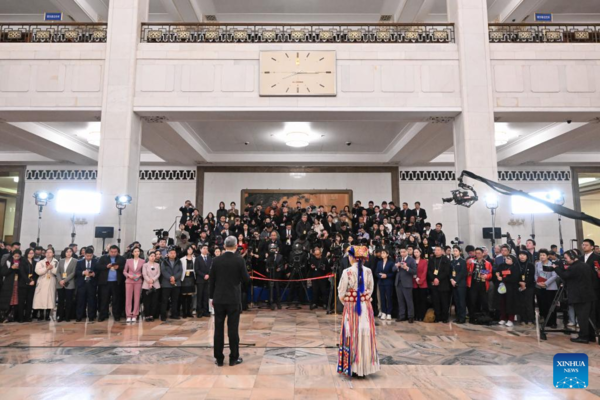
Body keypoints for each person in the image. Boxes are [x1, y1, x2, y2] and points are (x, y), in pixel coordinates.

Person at [337, 245, 380, 378]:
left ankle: (353, 366)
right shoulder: (368, 271)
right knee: (365, 332)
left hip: (351, 307)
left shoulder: (347, 272)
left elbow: (341, 291)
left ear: (352, 257)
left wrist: (347, 302)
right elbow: (370, 288)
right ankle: (365, 366)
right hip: (365, 306)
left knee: (351, 334)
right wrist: (363, 299)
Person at [210, 236, 250, 367]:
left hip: (219, 298)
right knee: (233, 329)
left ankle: (219, 359)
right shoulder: (239, 260)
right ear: (235, 246)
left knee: (218, 329)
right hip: (233, 298)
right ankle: (233, 358)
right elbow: (246, 279)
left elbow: (212, 281)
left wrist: (211, 297)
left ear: (224, 246)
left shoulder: (216, 260)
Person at [554, 250, 597, 343]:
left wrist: (556, 268)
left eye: (566, 258)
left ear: (573, 257)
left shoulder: (574, 267)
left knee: (582, 317)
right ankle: (591, 336)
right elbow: (594, 278)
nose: (565, 260)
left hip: (580, 296)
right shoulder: (585, 265)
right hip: (589, 295)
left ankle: (584, 337)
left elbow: (565, 276)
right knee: (589, 317)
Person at [97, 245, 126, 322]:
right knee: (104, 299)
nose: (113, 253)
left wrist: (118, 267)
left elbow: (125, 268)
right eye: (111, 252)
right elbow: (98, 267)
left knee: (116, 300)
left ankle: (116, 315)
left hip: (117, 283)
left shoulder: (122, 259)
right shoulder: (103, 258)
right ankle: (103, 315)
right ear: (108, 251)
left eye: (115, 252)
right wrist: (106, 266)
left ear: (118, 252)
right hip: (105, 283)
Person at [0, 249, 27, 323]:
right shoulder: (8, 262)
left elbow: (25, 272)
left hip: (19, 284)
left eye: (18, 256)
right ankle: (5, 316)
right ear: (12, 255)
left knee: (16, 301)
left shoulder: (23, 262)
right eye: (15, 256)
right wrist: (11, 268)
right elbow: (3, 272)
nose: (16, 257)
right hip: (9, 284)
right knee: (7, 300)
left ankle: (14, 316)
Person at [535, 249, 560, 328]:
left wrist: (546, 283)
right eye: (540, 255)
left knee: (551, 305)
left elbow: (554, 276)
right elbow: (536, 274)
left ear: (547, 256)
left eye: (543, 255)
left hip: (550, 287)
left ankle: (553, 322)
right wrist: (538, 282)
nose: (542, 257)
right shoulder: (538, 264)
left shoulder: (551, 264)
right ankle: (545, 321)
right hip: (540, 287)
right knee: (542, 304)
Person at [427, 246, 451, 323]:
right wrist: (434, 279)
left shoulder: (445, 260)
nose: (436, 251)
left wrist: (438, 279)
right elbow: (429, 271)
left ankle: (444, 317)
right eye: (435, 250)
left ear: (442, 251)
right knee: (435, 301)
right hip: (434, 283)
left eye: (438, 250)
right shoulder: (431, 259)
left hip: (443, 283)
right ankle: (437, 316)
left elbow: (446, 271)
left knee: (444, 301)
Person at [33, 248, 58, 321]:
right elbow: (38, 271)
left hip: (51, 281)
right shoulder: (40, 262)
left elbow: (57, 271)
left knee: (50, 298)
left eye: (50, 252)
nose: (48, 253)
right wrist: (46, 269)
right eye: (47, 252)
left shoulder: (56, 262)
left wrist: (52, 269)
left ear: (53, 253)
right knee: (41, 298)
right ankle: (40, 314)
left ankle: (47, 314)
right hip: (42, 281)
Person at [467, 247, 492, 317]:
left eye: (479, 253)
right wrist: (468, 265)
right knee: (472, 301)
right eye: (476, 253)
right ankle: (472, 316)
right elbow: (466, 270)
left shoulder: (487, 263)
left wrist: (486, 276)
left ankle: (485, 316)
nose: (478, 254)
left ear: (483, 254)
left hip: (483, 284)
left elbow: (490, 273)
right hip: (473, 283)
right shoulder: (471, 261)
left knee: (484, 301)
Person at [495, 255, 520, 327]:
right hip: (502, 287)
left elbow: (514, 278)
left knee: (510, 303)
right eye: (506, 258)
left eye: (509, 258)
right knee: (502, 302)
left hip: (511, 288)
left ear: (513, 260)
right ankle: (503, 318)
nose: (506, 259)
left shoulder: (515, 267)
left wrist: (503, 279)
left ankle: (510, 319)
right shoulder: (502, 265)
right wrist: (497, 276)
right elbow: (497, 272)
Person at [394, 247, 416, 323]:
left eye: (404, 252)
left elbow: (414, 271)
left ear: (407, 252)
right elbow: (393, 269)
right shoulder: (398, 259)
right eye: (401, 252)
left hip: (407, 283)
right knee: (400, 300)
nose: (402, 253)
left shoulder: (411, 260)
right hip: (398, 282)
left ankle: (411, 316)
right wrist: (397, 266)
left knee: (409, 300)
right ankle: (402, 315)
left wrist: (407, 268)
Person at [75, 248, 98, 322]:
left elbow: (99, 272)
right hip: (82, 284)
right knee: (80, 301)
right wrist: (83, 272)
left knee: (91, 301)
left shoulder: (96, 261)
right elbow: (76, 272)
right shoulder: (79, 262)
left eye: (90, 256)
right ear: (84, 255)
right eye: (87, 256)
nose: (89, 257)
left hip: (91, 284)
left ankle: (91, 316)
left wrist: (94, 274)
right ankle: (79, 316)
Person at [160, 247, 183, 321]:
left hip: (176, 283)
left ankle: (174, 314)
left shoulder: (179, 261)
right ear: (168, 254)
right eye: (171, 253)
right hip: (166, 283)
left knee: (175, 300)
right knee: (164, 300)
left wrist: (174, 278)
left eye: (174, 253)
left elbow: (180, 271)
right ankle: (163, 315)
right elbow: (163, 271)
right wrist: (170, 277)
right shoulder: (164, 261)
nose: (173, 255)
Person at [55, 247, 77, 322]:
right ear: (64, 252)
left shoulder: (75, 261)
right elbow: (57, 272)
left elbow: (73, 273)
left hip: (69, 283)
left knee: (69, 301)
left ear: (72, 253)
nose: (68, 253)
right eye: (67, 251)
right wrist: (60, 280)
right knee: (60, 301)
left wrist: (65, 280)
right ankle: (60, 316)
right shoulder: (61, 261)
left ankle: (67, 316)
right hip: (60, 284)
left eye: (70, 251)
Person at [123, 247, 144, 323]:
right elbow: (124, 271)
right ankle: (128, 315)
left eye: (138, 251)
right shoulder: (128, 261)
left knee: (137, 298)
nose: (137, 252)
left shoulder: (142, 261)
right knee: (128, 298)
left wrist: (140, 275)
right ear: (132, 253)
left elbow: (144, 271)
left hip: (138, 281)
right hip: (129, 280)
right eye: (135, 251)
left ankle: (135, 314)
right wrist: (128, 275)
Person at [375, 248, 395, 320]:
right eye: (382, 253)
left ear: (387, 254)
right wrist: (380, 275)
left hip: (388, 282)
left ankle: (389, 313)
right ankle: (383, 312)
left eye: (384, 253)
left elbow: (393, 273)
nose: (382, 254)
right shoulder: (379, 262)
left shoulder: (391, 263)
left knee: (389, 297)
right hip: (381, 282)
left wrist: (386, 275)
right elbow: (376, 272)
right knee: (382, 297)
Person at [517, 250, 536, 325]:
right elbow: (515, 275)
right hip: (519, 286)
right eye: (520, 255)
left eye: (524, 255)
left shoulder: (530, 265)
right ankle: (522, 319)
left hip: (529, 286)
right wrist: (520, 283)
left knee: (529, 303)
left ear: (527, 256)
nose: (522, 256)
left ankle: (530, 319)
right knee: (521, 303)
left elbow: (531, 276)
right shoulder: (516, 264)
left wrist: (525, 284)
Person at [141, 251, 160, 322]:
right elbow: (144, 274)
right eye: (151, 256)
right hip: (146, 285)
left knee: (154, 301)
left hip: (156, 285)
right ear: (148, 256)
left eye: (154, 256)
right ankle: (147, 315)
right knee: (147, 301)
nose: (153, 257)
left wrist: (153, 280)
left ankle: (152, 315)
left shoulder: (157, 265)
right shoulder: (145, 265)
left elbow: (158, 274)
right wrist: (149, 281)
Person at [450, 246, 467, 324]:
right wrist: (451, 279)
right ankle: (458, 316)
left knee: (461, 301)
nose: (455, 252)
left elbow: (462, 273)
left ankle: (462, 317)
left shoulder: (463, 261)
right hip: (453, 283)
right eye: (454, 251)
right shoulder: (452, 261)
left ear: (460, 252)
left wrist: (456, 281)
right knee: (456, 301)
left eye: (456, 251)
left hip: (461, 284)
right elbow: (450, 272)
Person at [194, 244, 212, 318]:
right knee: (200, 296)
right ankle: (199, 312)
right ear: (201, 249)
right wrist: (204, 275)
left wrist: (208, 275)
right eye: (204, 248)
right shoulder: (197, 259)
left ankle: (206, 311)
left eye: (206, 248)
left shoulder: (210, 258)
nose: (205, 250)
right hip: (200, 280)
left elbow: (211, 268)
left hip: (208, 280)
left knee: (206, 296)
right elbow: (196, 269)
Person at [21, 248, 37, 322]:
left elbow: (35, 273)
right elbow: (22, 273)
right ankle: (20, 317)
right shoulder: (23, 261)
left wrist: (33, 280)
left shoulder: (35, 262)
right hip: (23, 284)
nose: (31, 254)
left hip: (32, 284)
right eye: (29, 253)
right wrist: (28, 280)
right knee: (22, 301)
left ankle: (28, 316)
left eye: (32, 253)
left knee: (29, 301)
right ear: (26, 253)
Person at [412, 248, 429, 321]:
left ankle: (422, 316)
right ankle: (416, 315)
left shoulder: (424, 261)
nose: (416, 253)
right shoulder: (412, 261)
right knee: (416, 300)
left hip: (422, 284)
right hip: (414, 283)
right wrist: (415, 278)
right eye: (414, 252)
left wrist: (420, 280)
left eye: (417, 252)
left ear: (420, 253)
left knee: (422, 301)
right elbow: (412, 271)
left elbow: (425, 272)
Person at [179, 246, 196, 318]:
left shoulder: (195, 259)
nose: (190, 250)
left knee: (190, 296)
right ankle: (184, 312)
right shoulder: (182, 259)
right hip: (184, 279)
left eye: (191, 249)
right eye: (188, 249)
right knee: (183, 296)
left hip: (192, 279)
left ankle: (189, 312)